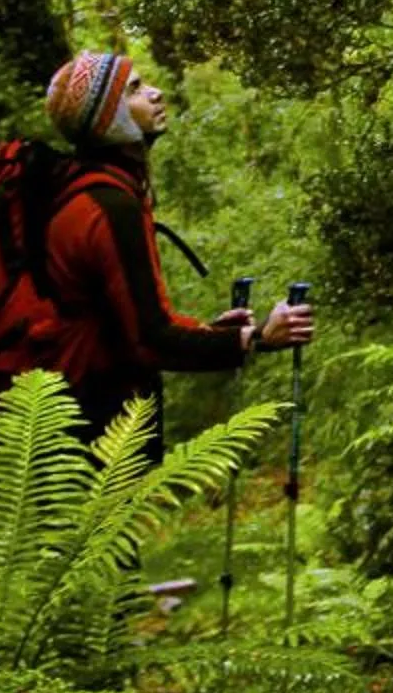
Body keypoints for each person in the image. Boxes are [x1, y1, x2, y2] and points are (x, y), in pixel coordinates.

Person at [35, 50, 312, 445]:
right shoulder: (110, 208)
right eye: (134, 89)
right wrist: (258, 338)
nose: (156, 93)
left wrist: (213, 332)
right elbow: (152, 340)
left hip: (67, 417)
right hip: (104, 430)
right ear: (108, 118)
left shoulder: (84, 193)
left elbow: (125, 322)